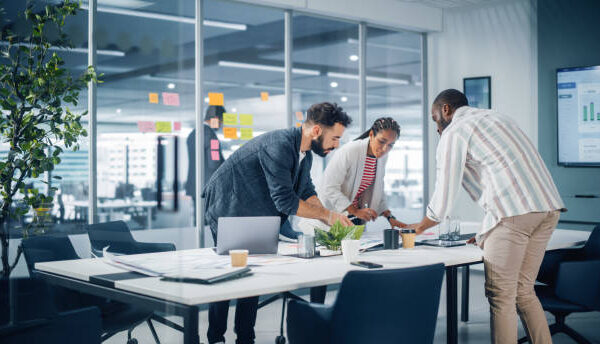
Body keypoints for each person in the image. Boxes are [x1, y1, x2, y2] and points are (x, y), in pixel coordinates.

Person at [407, 89, 565, 344]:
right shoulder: (498, 119)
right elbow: (500, 178)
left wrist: (421, 226)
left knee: (501, 297)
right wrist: (488, 231)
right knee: (524, 292)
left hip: (515, 214)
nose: (436, 127)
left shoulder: (455, 131)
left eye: (435, 118)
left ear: (446, 109)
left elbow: (445, 189)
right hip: (548, 209)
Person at [202, 102, 353, 344]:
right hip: (227, 205)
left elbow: (305, 190)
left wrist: (329, 215)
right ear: (316, 131)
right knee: (228, 274)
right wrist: (327, 216)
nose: (336, 145)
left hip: (254, 210)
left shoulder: (304, 155)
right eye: (334, 138)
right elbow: (285, 201)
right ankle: (215, 338)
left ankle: (245, 337)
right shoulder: (280, 145)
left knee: (253, 272)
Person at [318, 117, 407, 228]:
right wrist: (354, 211)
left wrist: (389, 217)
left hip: (354, 219)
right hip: (332, 217)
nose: (385, 149)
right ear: (371, 135)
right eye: (382, 141)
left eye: (390, 145)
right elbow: (329, 187)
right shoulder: (350, 151)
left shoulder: (382, 157)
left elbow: (378, 188)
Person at [185, 105, 225, 217]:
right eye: (221, 121)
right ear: (215, 119)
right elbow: (214, 162)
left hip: (195, 185)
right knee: (210, 221)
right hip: (209, 188)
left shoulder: (193, 134)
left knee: (199, 219)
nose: (222, 125)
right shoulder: (211, 136)